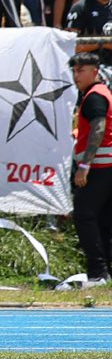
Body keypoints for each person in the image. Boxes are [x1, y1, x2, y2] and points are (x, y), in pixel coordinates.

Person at [72, 53, 112, 286]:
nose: (76, 75)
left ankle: (97, 272)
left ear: (95, 71)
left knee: (84, 215)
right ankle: (104, 272)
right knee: (104, 220)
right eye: (74, 71)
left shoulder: (95, 96)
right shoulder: (103, 93)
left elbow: (99, 128)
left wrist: (85, 165)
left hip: (100, 167)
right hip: (106, 167)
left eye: (81, 70)